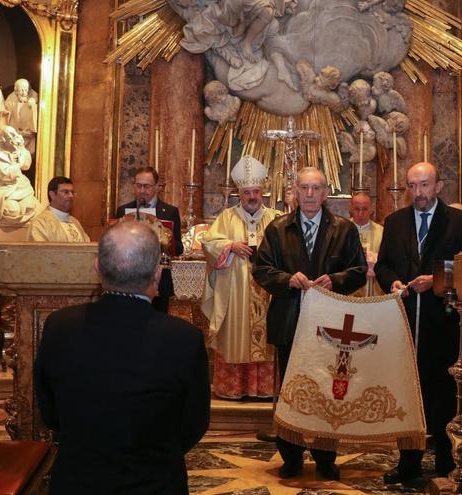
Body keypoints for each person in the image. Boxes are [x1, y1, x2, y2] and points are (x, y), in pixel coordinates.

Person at [34, 222, 211, 494]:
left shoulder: (59, 326)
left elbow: (49, 412)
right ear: (157, 273)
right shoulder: (183, 338)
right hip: (156, 482)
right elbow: (194, 423)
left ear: (97, 268)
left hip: (77, 481)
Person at [252, 166, 366, 481]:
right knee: (291, 392)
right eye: (304, 188)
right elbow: (260, 269)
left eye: (316, 188)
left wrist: (337, 279)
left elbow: (358, 269)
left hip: (331, 327)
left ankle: (326, 458)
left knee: (329, 391)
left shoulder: (344, 229)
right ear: (295, 192)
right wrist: (288, 279)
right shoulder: (277, 229)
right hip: (290, 323)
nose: (310, 194)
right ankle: (290, 456)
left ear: (326, 193)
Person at [374, 162, 462, 487]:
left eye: (424, 185)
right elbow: (384, 266)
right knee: (406, 394)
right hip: (404, 323)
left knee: (443, 395)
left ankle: (447, 463)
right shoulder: (394, 222)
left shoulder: (460, 222)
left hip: (442, 324)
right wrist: (392, 282)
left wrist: (435, 280)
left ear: (438, 186)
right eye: (412, 186)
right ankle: (408, 463)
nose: (418, 193)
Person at [201, 156, 282, 399]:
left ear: (262, 192)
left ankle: (265, 388)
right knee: (235, 337)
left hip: (267, 292)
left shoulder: (276, 219)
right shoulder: (227, 217)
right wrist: (230, 246)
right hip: (235, 292)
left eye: (256, 191)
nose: (252, 196)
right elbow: (209, 242)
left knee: (269, 336)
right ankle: (234, 388)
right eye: (247, 192)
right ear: (240, 193)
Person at [114, 166, 183, 313]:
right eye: (138, 185)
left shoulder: (170, 212)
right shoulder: (122, 211)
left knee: (158, 326)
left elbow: (179, 247)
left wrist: (167, 240)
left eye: (146, 186)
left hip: (158, 279)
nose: (142, 190)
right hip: (129, 278)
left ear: (156, 187)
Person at [27, 176, 90, 242]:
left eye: (72, 192)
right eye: (66, 192)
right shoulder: (39, 223)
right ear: (52, 195)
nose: (71, 196)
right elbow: (39, 250)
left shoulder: (75, 222)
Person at [348, 192, 383, 297]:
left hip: (373, 289)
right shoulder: (341, 231)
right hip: (349, 290)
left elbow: (387, 263)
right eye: (357, 209)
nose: (360, 213)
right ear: (350, 208)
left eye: (364, 209)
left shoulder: (382, 232)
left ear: (372, 209)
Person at [4, 79, 38, 154]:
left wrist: (33, 105)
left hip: (29, 137)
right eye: (21, 90)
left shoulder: (33, 97)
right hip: (14, 136)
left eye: (26, 90)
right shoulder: (11, 98)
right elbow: (5, 115)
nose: (24, 93)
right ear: (15, 90)